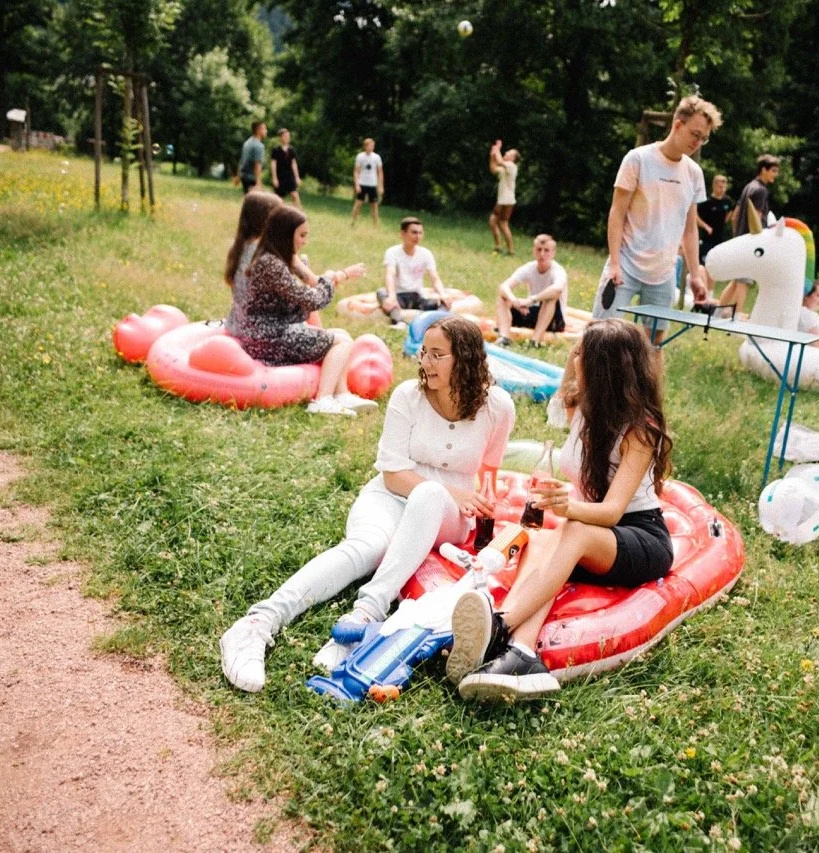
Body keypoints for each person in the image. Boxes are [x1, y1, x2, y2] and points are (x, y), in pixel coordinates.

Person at [220, 316, 516, 693]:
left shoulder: (498, 407)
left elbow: (490, 471)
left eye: (438, 355)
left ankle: (365, 612)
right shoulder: (408, 396)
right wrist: (452, 490)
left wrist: (480, 501)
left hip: (449, 517)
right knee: (366, 547)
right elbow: (393, 475)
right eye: (425, 352)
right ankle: (257, 624)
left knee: (429, 496)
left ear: (468, 359)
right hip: (390, 496)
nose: (425, 362)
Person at [448, 319, 675, 700]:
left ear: (604, 368)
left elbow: (613, 512)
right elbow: (587, 480)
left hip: (641, 537)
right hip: (593, 532)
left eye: (582, 353)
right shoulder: (582, 409)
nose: (574, 358)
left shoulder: (641, 430)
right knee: (538, 542)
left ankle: (499, 625)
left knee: (571, 531)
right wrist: (564, 494)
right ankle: (522, 651)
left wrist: (568, 505)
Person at [591, 95, 717, 344]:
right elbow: (617, 213)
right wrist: (614, 263)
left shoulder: (694, 173)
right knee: (597, 337)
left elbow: (690, 229)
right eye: (695, 134)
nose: (698, 142)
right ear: (677, 125)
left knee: (654, 344)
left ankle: (643, 386)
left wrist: (694, 275)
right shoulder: (637, 159)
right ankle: (570, 385)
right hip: (625, 266)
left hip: (663, 273)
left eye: (704, 138)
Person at [231, 205, 374, 416]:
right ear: (286, 234)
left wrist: (328, 277)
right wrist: (332, 277)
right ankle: (322, 400)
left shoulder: (275, 257)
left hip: (270, 331)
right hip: (267, 338)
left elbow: (307, 285)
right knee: (342, 342)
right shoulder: (271, 264)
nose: (305, 241)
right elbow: (313, 300)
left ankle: (341, 394)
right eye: (302, 235)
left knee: (342, 335)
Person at [719, 155, 782, 314]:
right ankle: (737, 317)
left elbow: (736, 215)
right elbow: (757, 219)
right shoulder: (761, 190)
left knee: (736, 281)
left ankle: (717, 313)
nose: (775, 174)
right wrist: (760, 241)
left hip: (742, 239)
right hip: (752, 241)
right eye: (773, 171)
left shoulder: (749, 186)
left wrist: (738, 236)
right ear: (763, 170)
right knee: (744, 282)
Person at [376, 216, 453, 325]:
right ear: (403, 233)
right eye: (414, 232)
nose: (418, 236)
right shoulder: (392, 252)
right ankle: (398, 322)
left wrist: (442, 294)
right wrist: (392, 296)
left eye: (420, 233)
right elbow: (390, 275)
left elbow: (435, 278)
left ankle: (440, 322)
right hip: (399, 296)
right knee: (381, 293)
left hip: (417, 296)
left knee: (443, 301)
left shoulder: (426, 253)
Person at [224, 190, 283, 330]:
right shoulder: (265, 254)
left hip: (236, 324)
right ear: (267, 220)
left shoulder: (239, 246)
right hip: (259, 331)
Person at [495, 234, 568, 347]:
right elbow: (504, 286)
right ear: (534, 251)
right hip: (533, 311)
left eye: (546, 250)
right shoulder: (529, 267)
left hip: (553, 319)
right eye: (539, 250)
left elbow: (557, 289)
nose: (542, 254)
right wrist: (514, 301)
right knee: (503, 296)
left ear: (553, 253)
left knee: (550, 297)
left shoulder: (558, 271)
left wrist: (531, 300)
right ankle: (504, 337)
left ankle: (535, 341)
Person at [488, 139, 520, 256]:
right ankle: (505, 249)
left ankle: (503, 248)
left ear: (513, 158)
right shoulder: (506, 168)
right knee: (499, 223)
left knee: (498, 222)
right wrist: (492, 156)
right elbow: (493, 169)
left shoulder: (511, 166)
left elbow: (500, 160)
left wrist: (497, 149)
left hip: (505, 200)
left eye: (509, 153)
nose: (506, 153)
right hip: (507, 200)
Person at [696, 174, 734, 267]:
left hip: (721, 238)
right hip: (707, 239)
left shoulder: (727, 200)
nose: (722, 189)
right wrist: (705, 226)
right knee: (704, 264)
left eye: (724, 187)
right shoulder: (706, 202)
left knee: (718, 265)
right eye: (720, 187)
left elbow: (731, 210)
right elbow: (695, 217)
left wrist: (725, 220)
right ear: (714, 186)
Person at [350, 138, 384, 226]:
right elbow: (356, 171)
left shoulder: (377, 157)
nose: (372, 147)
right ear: (365, 146)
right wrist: (357, 184)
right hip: (362, 183)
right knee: (358, 203)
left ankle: (375, 224)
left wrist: (380, 186)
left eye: (373, 146)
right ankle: (353, 222)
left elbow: (380, 172)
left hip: (372, 184)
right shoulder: (360, 156)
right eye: (370, 146)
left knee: (374, 205)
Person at [270, 128, 303, 207]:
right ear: (280, 138)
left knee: (295, 195)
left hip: (290, 176)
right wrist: (274, 178)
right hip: (280, 176)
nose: (287, 138)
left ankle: (299, 214)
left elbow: (294, 164)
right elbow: (273, 165)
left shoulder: (291, 150)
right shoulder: (275, 150)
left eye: (288, 136)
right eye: (285, 136)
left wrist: (297, 177)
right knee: (278, 199)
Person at [238, 121, 267, 194]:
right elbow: (257, 164)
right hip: (251, 178)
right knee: (255, 203)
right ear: (258, 130)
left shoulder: (247, 142)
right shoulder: (259, 146)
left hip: (244, 176)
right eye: (264, 128)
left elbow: (241, 160)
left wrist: (238, 175)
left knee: (248, 200)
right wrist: (258, 183)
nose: (266, 131)